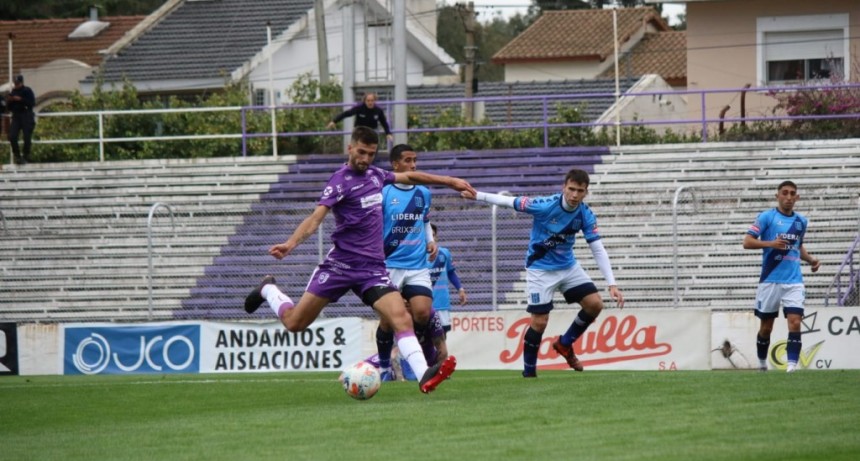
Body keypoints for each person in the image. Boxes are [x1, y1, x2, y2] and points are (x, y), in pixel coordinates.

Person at [243, 126, 473, 393]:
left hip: (372, 269)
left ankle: (424, 376)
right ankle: (268, 289)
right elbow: (316, 217)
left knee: (401, 317)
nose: (365, 159)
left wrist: (449, 181)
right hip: (340, 266)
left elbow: (409, 175)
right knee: (295, 323)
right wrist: (291, 244)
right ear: (350, 148)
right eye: (361, 152)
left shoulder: (376, 175)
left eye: (371, 154)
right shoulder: (339, 181)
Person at [462, 168, 624, 377]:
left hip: (568, 267)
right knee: (539, 322)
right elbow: (510, 202)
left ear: (586, 192)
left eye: (580, 191)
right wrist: (478, 195)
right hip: (540, 269)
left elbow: (597, 247)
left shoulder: (585, 214)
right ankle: (529, 372)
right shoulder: (545, 205)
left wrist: (612, 284)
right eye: (571, 189)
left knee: (595, 304)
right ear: (564, 187)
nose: (575, 195)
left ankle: (565, 344)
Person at [374, 144, 437, 380]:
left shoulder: (423, 192)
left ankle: (413, 358)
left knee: (422, 313)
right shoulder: (384, 192)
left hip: (417, 265)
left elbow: (425, 221)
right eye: (408, 160)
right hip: (388, 265)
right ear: (395, 165)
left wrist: (430, 241)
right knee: (388, 321)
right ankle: (383, 367)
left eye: (415, 160)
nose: (413, 165)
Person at [743, 180, 820, 373]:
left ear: (797, 197)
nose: (788, 197)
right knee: (766, 328)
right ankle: (762, 363)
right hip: (770, 280)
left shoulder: (801, 222)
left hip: (794, 281)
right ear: (777, 196)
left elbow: (797, 246)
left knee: (795, 322)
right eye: (784, 193)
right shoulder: (766, 217)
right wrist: (770, 244)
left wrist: (810, 260)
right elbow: (747, 242)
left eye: (792, 193)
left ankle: (791, 367)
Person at [429, 223, 466, 333]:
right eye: (428, 236)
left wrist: (460, 289)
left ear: (436, 237)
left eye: (433, 235)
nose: (431, 238)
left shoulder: (444, 253)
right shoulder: (417, 256)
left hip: (441, 303)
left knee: (441, 336)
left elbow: (451, 273)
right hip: (423, 304)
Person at [326, 93, 394, 145]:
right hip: (360, 129)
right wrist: (334, 121)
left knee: (373, 144)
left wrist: (388, 133)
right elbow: (346, 114)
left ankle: (372, 160)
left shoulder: (378, 110)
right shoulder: (359, 108)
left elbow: (384, 122)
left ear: (375, 101)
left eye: (372, 101)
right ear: (364, 101)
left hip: (372, 130)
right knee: (358, 145)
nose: (370, 103)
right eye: (368, 101)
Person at [6, 75, 36, 165]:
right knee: (12, 136)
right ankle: (17, 156)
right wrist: (10, 101)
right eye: (15, 83)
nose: (16, 85)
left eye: (18, 83)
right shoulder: (13, 92)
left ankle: (26, 155)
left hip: (26, 114)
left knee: (27, 137)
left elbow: (32, 103)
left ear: (21, 82)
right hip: (16, 115)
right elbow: (9, 108)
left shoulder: (27, 90)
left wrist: (20, 99)